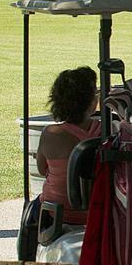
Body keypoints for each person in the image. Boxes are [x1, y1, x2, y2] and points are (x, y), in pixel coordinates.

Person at [36, 67, 101, 224]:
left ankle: (27, 249)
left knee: (31, 212)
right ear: (92, 102)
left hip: (56, 214)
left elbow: (41, 169)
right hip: (98, 213)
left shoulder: (50, 134)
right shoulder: (107, 131)